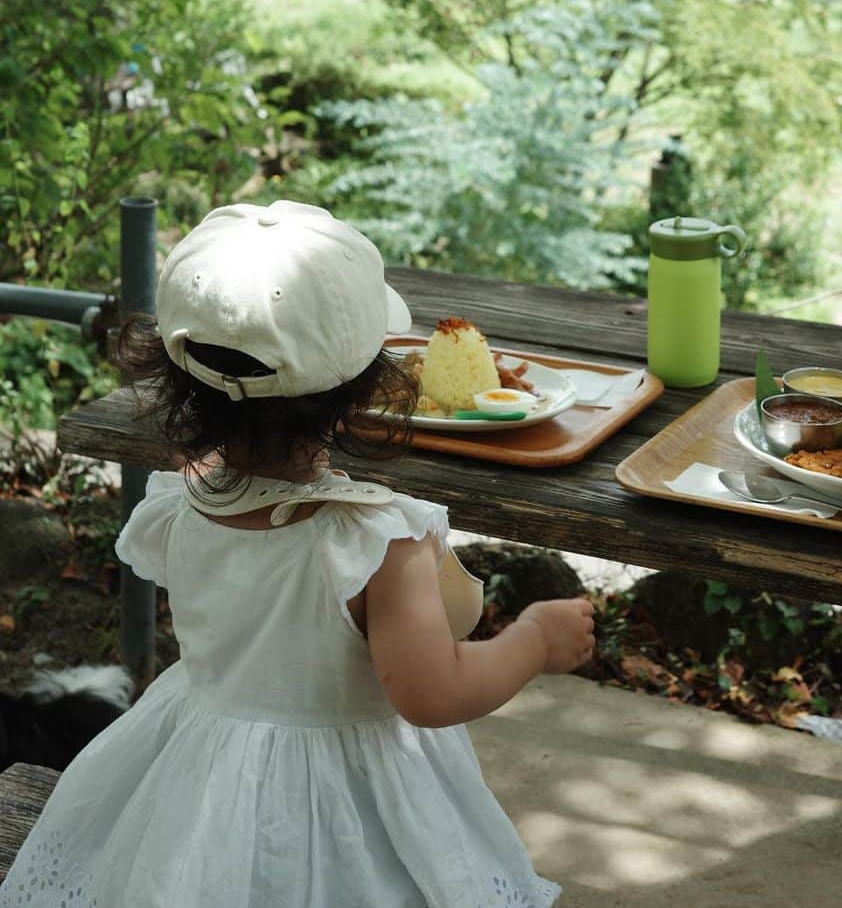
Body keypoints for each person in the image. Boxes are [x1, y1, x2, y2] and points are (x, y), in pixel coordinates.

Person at [0, 201, 594, 908]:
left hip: (200, 788)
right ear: (361, 388)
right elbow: (433, 693)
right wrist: (533, 641)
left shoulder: (179, 504)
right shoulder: (371, 541)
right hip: (344, 814)